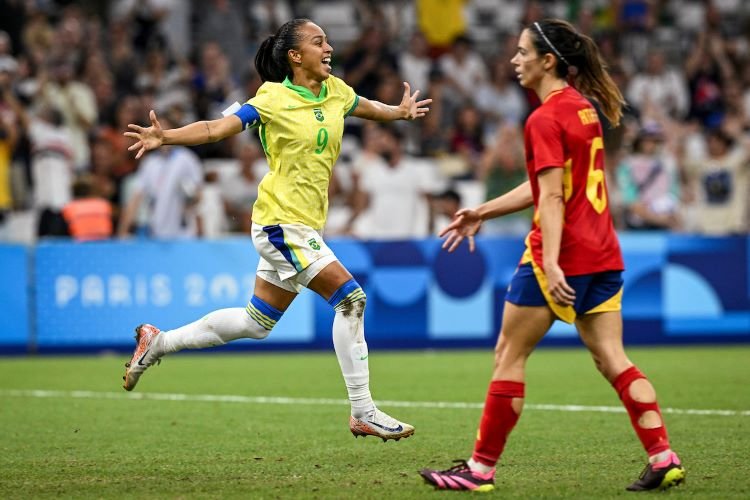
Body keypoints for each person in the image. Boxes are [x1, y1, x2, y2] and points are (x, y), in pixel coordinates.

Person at [122, 19, 431, 441]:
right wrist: (168, 137)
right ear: (294, 55)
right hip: (279, 223)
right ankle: (363, 409)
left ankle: (157, 343)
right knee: (352, 300)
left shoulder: (336, 91)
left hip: (304, 226)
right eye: (318, 42)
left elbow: (366, 106)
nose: (329, 48)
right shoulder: (272, 98)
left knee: (256, 322)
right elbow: (216, 128)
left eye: (328, 41)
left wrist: (398, 112)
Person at [419, 19, 685, 492]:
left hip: (558, 255)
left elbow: (552, 200)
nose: (513, 60)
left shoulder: (543, 118)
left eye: (522, 52)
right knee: (612, 358)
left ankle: (479, 470)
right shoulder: (583, 109)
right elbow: (552, 184)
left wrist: (555, 262)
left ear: (547, 61)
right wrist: (483, 209)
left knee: (508, 354)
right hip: (604, 253)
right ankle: (663, 454)